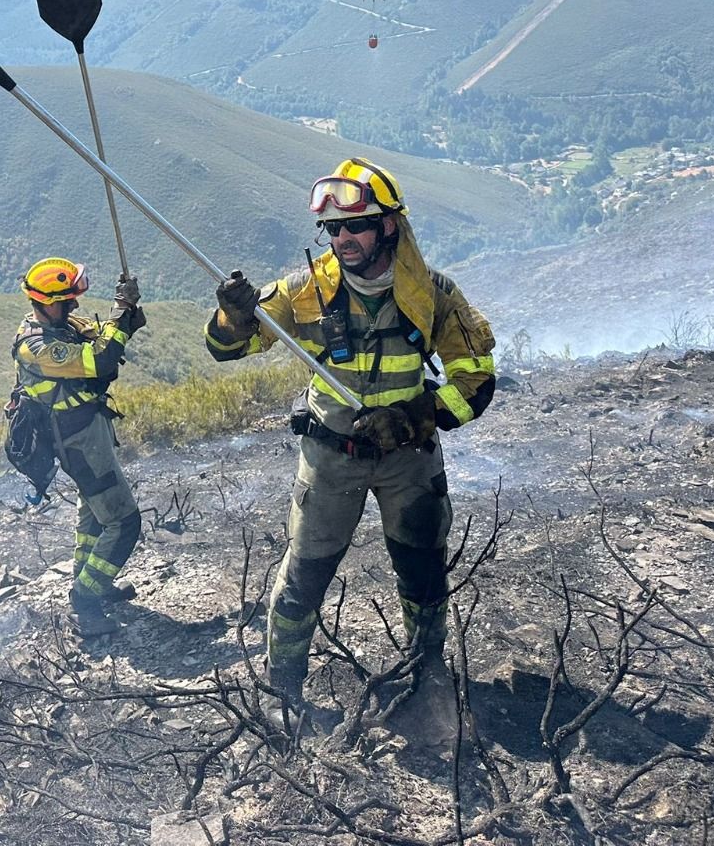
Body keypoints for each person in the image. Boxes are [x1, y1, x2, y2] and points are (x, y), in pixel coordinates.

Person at [205, 158, 496, 701]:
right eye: (332, 229)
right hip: (330, 457)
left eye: (355, 225)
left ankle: (427, 674)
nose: (342, 238)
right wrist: (233, 315)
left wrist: (414, 420)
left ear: (389, 225)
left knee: (423, 572)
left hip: (409, 460)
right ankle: (284, 689)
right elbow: (230, 348)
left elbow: (475, 378)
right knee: (304, 577)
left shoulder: (432, 294)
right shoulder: (304, 290)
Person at [12, 257, 146, 636]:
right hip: (76, 440)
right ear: (43, 301)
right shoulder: (36, 346)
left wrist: (124, 318)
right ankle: (87, 600)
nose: (73, 306)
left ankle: (89, 581)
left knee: (94, 512)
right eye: (66, 300)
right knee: (123, 522)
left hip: (89, 428)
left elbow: (100, 336)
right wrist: (121, 315)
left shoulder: (62, 323)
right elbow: (99, 360)